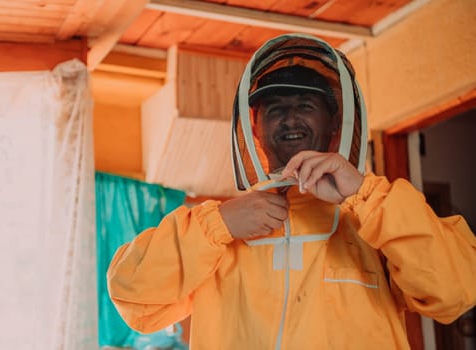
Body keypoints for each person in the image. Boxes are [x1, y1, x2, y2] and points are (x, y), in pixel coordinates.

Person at [107, 33, 476, 349]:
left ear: (334, 121)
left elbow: (454, 291)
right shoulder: (217, 231)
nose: (290, 119)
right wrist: (217, 225)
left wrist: (365, 194)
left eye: (305, 106)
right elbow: (132, 294)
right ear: (255, 128)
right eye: (275, 109)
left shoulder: (374, 216)